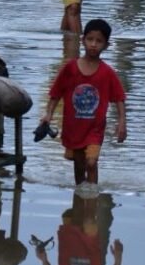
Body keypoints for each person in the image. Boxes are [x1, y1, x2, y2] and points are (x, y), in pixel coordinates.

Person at [40, 19, 127, 186]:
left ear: (106, 45)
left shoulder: (107, 73)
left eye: (99, 41)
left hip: (95, 129)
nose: (93, 44)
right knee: (79, 165)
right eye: (90, 39)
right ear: (82, 40)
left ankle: (92, 194)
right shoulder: (70, 69)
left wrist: (122, 122)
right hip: (74, 128)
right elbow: (55, 93)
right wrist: (48, 115)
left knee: (91, 162)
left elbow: (119, 98)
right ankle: (80, 195)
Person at [34, 192, 123, 265]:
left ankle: (84, 187)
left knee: (74, 206)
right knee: (89, 220)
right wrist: (118, 257)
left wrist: (43, 259)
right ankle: (92, 188)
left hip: (68, 238)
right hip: (90, 243)